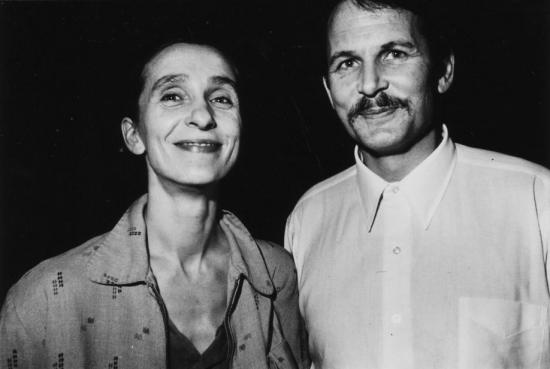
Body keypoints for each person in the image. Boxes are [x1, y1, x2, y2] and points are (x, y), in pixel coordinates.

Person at [0, 41, 308, 369]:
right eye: (173, 95)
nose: (203, 116)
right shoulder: (44, 299)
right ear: (135, 136)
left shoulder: (278, 274)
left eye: (221, 98)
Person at [284, 0, 550, 368]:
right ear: (329, 91)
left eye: (393, 53)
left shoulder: (536, 200)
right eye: (347, 63)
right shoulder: (307, 220)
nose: (370, 84)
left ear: (443, 71)